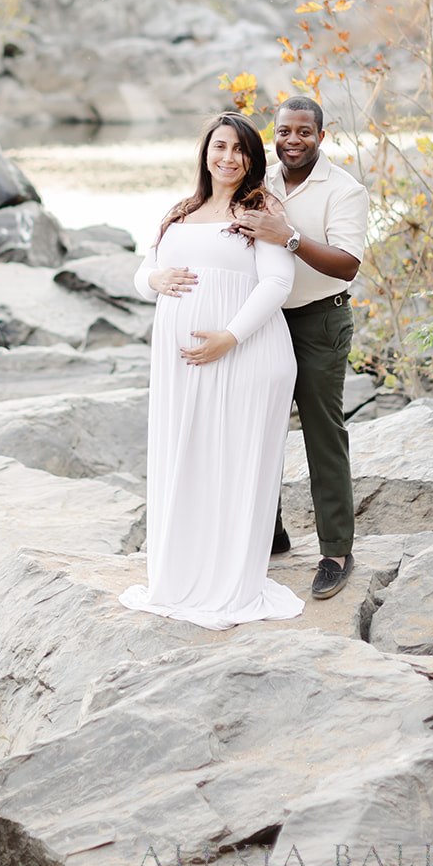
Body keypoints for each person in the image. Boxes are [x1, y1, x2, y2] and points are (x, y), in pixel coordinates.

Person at [119, 112, 304, 630]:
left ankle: (228, 579)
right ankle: (182, 573)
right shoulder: (183, 210)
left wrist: (229, 336)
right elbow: (141, 271)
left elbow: (276, 283)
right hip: (183, 367)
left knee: (233, 462)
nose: (228, 157)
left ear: (253, 159)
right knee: (187, 459)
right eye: (219, 146)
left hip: (247, 354)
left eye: (239, 149)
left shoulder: (261, 208)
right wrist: (155, 278)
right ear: (205, 151)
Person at [231, 96, 369, 601]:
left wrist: (288, 237)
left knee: (321, 434)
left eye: (303, 133)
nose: (293, 141)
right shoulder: (256, 178)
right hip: (262, 319)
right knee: (257, 426)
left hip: (319, 320)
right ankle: (270, 536)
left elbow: (348, 265)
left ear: (321, 136)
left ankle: (336, 551)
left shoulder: (345, 190)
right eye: (284, 131)